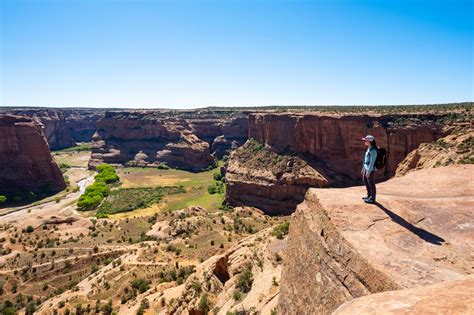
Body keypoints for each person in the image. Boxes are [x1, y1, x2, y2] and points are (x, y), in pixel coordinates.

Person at [361, 135, 377, 204]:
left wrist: (369, 171)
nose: (365, 141)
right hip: (366, 168)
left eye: (366, 140)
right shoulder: (369, 148)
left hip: (370, 169)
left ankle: (372, 199)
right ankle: (369, 195)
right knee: (365, 181)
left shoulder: (373, 150)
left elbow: (372, 162)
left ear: (370, 141)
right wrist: (363, 168)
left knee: (371, 184)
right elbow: (366, 160)